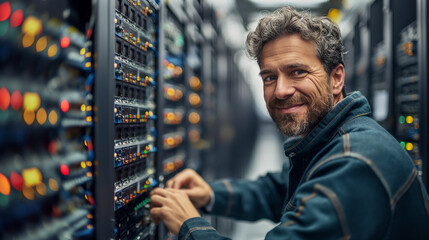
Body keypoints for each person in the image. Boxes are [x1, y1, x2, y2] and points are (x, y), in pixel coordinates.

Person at [150, 6, 429, 240]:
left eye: (297, 72)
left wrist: (189, 225)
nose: (281, 90)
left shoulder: (356, 162)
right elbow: (279, 189)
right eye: (269, 77)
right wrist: (211, 194)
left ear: (336, 78)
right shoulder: (332, 139)